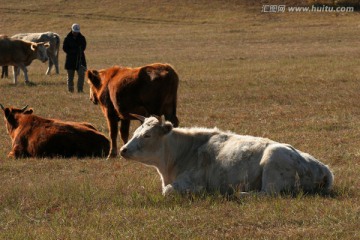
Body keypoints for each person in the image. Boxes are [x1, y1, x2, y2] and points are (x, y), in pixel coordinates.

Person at [62, 23, 87, 93]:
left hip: (80, 59)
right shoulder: (67, 38)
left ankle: (80, 90)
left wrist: (78, 50)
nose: (76, 33)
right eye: (74, 32)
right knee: (70, 77)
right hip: (70, 60)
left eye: (77, 32)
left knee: (81, 75)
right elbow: (64, 48)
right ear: (72, 30)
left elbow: (83, 47)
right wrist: (73, 51)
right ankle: (70, 90)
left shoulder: (82, 38)